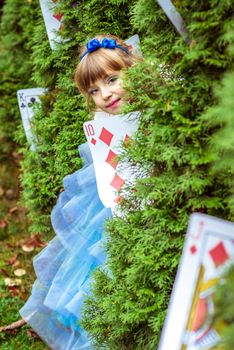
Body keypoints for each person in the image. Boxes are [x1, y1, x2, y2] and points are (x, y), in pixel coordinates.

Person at [20, 34, 138, 349]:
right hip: (113, 206)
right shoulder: (102, 126)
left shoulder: (157, 110)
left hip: (144, 198)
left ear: (133, 68)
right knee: (101, 267)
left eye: (113, 80)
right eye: (94, 90)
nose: (106, 94)